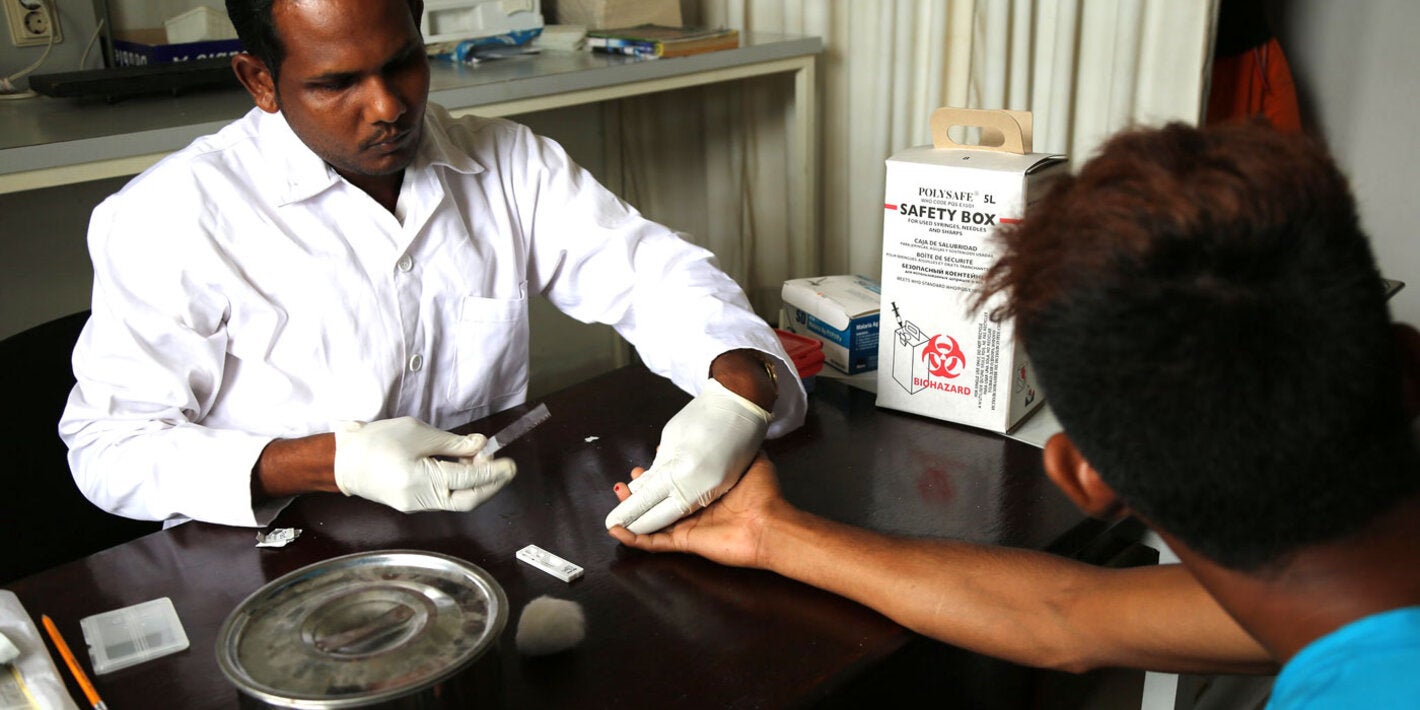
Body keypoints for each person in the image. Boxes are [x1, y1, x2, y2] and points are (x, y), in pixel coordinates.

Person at [611, 121, 1420, 703]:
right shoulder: (1340, 595)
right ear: (1404, 356)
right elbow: (1068, 616)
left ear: (1082, 476)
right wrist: (771, 534)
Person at [58, 0, 805, 530]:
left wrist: (736, 390)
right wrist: (334, 462)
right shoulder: (171, 218)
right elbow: (109, 452)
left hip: (479, 526)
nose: (387, 106)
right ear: (259, 80)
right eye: (335, 83)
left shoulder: (510, 162)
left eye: (402, 62)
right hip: (276, 554)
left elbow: (656, 275)